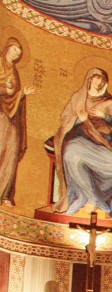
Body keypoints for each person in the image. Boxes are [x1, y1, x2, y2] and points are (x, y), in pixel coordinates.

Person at [54, 68, 112, 218]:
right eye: (96, 78)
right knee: (70, 155)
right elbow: (65, 118)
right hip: (81, 138)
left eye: (102, 79)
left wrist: (105, 116)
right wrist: (80, 119)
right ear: (89, 79)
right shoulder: (78, 98)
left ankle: (97, 196)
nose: (99, 82)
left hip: (104, 141)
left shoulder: (109, 102)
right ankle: (89, 199)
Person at [0, 38, 32, 207]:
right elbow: (6, 91)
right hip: (1, 114)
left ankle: (5, 194)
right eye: (14, 51)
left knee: (11, 154)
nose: (15, 55)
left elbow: (13, 95)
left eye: (18, 54)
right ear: (7, 48)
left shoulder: (14, 71)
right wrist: (5, 89)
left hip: (11, 118)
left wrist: (22, 93)